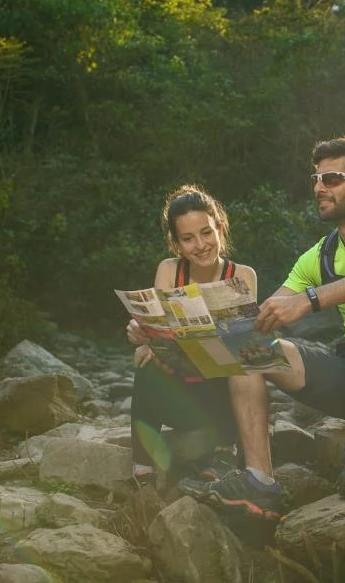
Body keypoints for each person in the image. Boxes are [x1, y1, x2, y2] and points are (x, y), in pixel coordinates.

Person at [179, 136, 345, 519]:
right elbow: (261, 318)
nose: (319, 187)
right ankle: (260, 480)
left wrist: (311, 299)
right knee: (247, 349)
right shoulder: (317, 256)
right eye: (317, 179)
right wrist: (180, 329)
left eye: (332, 178)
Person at [126, 184, 256, 486]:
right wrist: (142, 336)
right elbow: (156, 334)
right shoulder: (169, 271)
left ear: (220, 229)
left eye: (206, 233)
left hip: (221, 401)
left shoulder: (242, 276)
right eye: (188, 238)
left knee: (238, 367)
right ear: (177, 244)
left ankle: (226, 450)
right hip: (182, 398)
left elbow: (245, 345)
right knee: (144, 361)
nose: (200, 244)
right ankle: (142, 466)